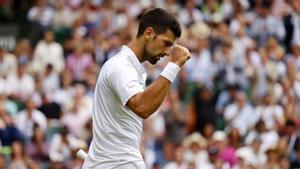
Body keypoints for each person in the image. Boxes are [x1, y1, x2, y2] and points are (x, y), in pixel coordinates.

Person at [82, 8, 190, 169]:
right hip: (120, 164)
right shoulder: (120, 66)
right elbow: (142, 107)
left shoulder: (129, 68)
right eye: (166, 43)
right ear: (148, 33)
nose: (168, 52)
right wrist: (174, 66)